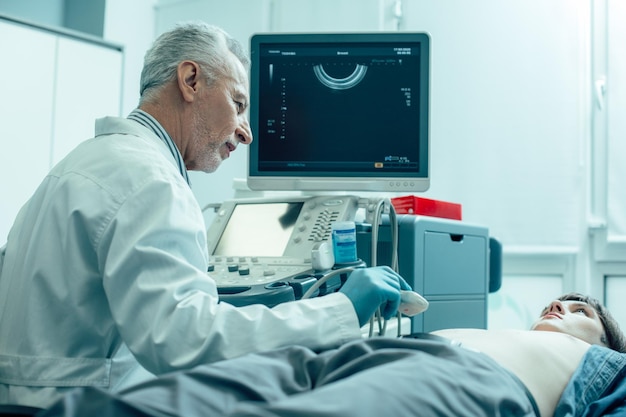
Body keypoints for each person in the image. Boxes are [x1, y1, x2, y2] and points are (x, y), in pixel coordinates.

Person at [0, 22, 411, 409]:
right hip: (76, 406)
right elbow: (183, 340)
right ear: (191, 80)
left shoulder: (87, 162)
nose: (247, 132)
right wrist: (340, 309)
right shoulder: (150, 181)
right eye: (238, 104)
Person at [32, 293, 626, 417]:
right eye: (557, 301)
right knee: (150, 403)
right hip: (360, 355)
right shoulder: (491, 324)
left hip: (472, 383)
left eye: (580, 310)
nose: (560, 307)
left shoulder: (610, 374)